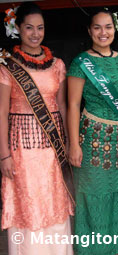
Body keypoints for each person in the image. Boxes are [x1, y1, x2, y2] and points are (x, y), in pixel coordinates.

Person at [67, 8, 118, 255]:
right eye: (97, 27)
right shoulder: (81, 62)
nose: (103, 32)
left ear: (115, 29)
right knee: (94, 194)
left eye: (108, 27)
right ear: (90, 31)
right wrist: (74, 144)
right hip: (92, 139)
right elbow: (72, 105)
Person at [0, 2, 74, 254]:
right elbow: (1, 112)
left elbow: (63, 107)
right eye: (29, 27)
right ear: (17, 29)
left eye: (40, 28)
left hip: (53, 147)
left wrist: (68, 142)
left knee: (53, 200)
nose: (35, 33)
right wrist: (4, 154)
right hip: (22, 147)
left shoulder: (58, 65)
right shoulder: (7, 66)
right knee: (28, 201)